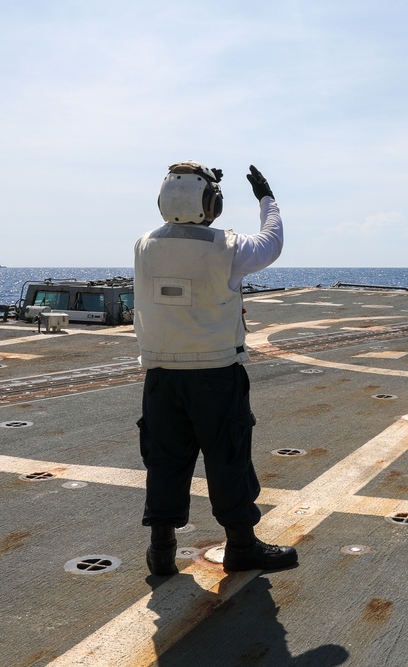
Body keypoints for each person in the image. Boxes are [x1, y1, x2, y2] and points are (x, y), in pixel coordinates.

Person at [133, 161, 297, 576]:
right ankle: (241, 545)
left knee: (165, 461)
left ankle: (162, 550)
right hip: (215, 375)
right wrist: (267, 198)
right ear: (212, 203)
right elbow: (272, 240)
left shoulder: (143, 245)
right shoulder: (228, 247)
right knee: (228, 459)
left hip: (160, 377)